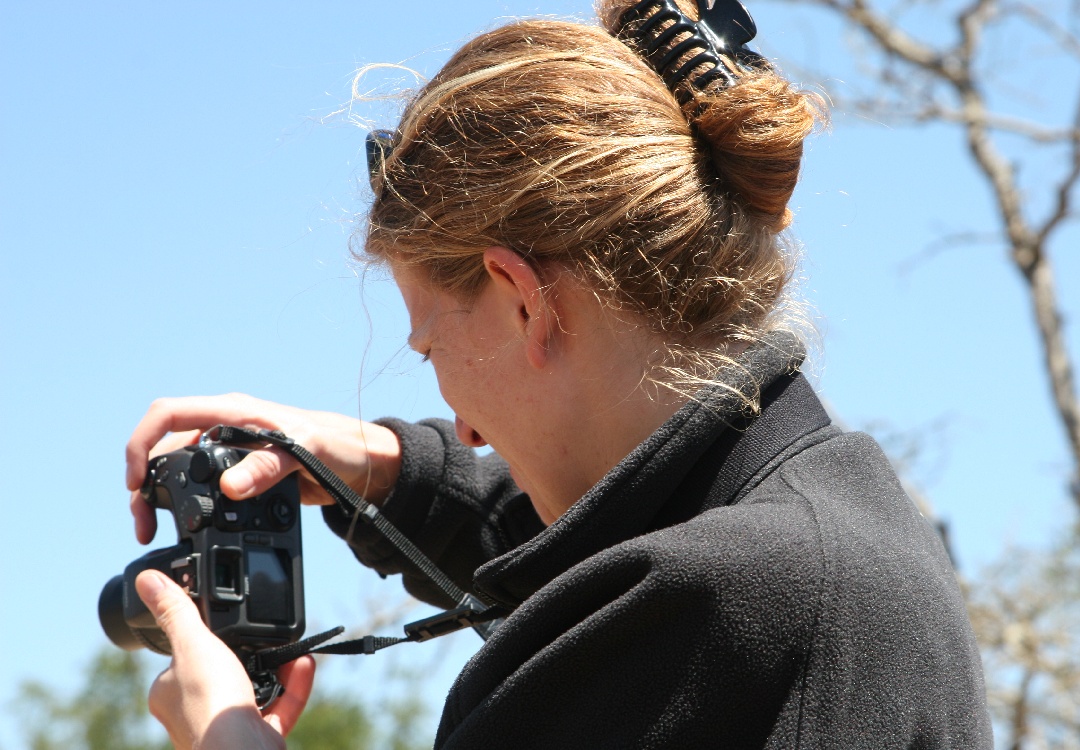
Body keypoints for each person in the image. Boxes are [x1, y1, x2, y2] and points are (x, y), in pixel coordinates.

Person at [124, 0, 993, 747]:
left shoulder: (724, 598)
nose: (465, 429)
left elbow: (630, 589)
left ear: (523, 300)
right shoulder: (832, 523)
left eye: (430, 350)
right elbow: (619, 533)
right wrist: (389, 472)